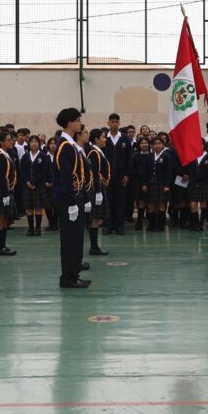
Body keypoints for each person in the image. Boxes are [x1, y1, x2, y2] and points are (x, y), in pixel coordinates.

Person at [53, 109, 90, 288]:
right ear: (69, 123)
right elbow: (65, 176)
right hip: (69, 200)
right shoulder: (64, 145)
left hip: (76, 197)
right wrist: (71, 202)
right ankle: (68, 277)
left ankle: (74, 273)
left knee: (76, 238)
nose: (80, 123)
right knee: (69, 239)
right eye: (77, 120)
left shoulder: (70, 144)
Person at [104, 113, 131, 235]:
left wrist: (127, 174)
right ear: (108, 123)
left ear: (119, 123)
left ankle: (120, 226)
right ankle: (109, 226)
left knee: (120, 201)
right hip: (107, 175)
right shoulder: (104, 137)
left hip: (121, 174)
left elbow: (129, 158)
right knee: (109, 200)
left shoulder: (124, 138)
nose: (114, 123)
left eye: (116, 121)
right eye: (112, 121)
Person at [0, 131, 19, 256]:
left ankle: (3, 245)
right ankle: (0, 247)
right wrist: (4, 195)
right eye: (8, 140)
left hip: (8, 191)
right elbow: (1, 177)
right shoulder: (0, 156)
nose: (11, 141)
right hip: (2, 191)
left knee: (5, 219)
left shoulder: (6, 154)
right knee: (1, 219)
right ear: (2, 142)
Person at [87, 127, 111, 255]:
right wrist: (97, 191)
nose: (105, 139)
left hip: (101, 187)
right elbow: (94, 174)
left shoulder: (99, 151)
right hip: (96, 188)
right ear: (96, 139)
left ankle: (95, 245)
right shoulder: (94, 153)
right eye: (103, 137)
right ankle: (94, 246)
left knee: (98, 218)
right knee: (95, 218)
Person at [141, 137, 173, 232]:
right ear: (152, 145)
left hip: (162, 184)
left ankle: (160, 225)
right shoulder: (149, 156)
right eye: (155, 144)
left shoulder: (167, 156)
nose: (157, 145)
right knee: (150, 206)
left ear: (163, 145)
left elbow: (169, 172)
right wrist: (144, 184)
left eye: (159, 143)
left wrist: (167, 185)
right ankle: (151, 225)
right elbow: (145, 172)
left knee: (161, 206)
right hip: (150, 184)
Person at [20, 135, 49, 236]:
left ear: (39, 143)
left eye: (36, 141)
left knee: (38, 208)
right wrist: (27, 182)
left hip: (39, 186)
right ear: (29, 144)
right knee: (29, 208)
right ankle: (30, 228)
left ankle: (38, 228)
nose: (34, 143)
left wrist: (34, 182)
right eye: (32, 141)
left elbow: (44, 171)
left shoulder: (43, 156)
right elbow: (22, 170)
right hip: (27, 186)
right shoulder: (25, 156)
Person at [187, 140, 208, 232]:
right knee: (193, 204)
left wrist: (195, 178)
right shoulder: (192, 156)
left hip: (204, 183)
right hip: (193, 183)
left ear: (204, 145)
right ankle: (195, 223)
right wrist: (192, 180)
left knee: (203, 203)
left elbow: (207, 171)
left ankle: (201, 224)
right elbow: (190, 170)